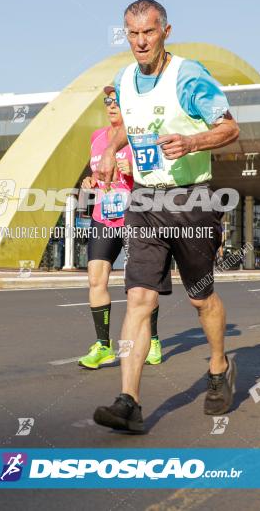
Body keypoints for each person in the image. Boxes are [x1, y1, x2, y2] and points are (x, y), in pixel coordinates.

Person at [92, 0, 239, 433]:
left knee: (200, 297)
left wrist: (192, 143)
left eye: (149, 33)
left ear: (165, 31)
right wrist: (110, 150)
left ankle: (217, 367)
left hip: (190, 200)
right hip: (145, 201)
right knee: (139, 297)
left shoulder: (188, 76)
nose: (140, 42)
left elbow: (230, 127)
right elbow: (130, 124)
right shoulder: (123, 78)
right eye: (132, 33)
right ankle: (129, 402)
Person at [78, 86, 163, 369]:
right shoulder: (96, 137)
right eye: (107, 101)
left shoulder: (140, 135)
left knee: (140, 285)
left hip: (134, 216)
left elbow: (157, 175)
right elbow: (97, 170)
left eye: (117, 101)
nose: (111, 105)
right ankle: (103, 346)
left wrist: (134, 171)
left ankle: (151, 340)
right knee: (95, 279)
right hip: (103, 216)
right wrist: (90, 181)